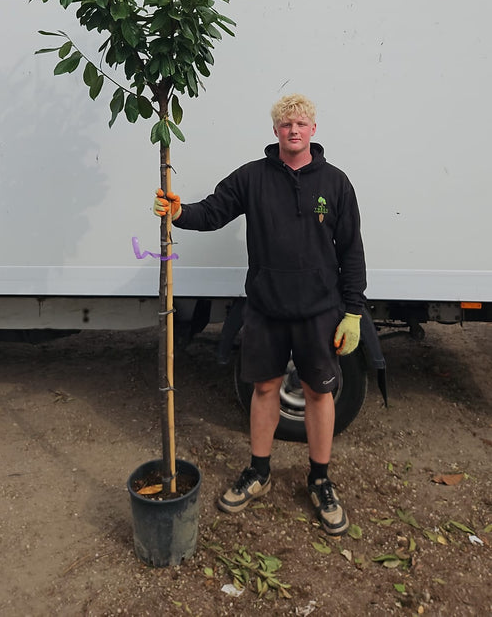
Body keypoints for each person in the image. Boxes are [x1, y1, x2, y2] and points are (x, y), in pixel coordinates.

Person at [153, 93, 366, 535]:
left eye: (301, 123)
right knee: (266, 387)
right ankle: (259, 471)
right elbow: (214, 211)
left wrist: (354, 312)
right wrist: (179, 212)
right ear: (275, 131)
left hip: (319, 310)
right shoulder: (252, 177)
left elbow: (351, 250)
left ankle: (320, 480)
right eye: (286, 124)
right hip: (266, 307)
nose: (294, 130)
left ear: (313, 130)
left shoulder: (336, 183)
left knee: (319, 393)